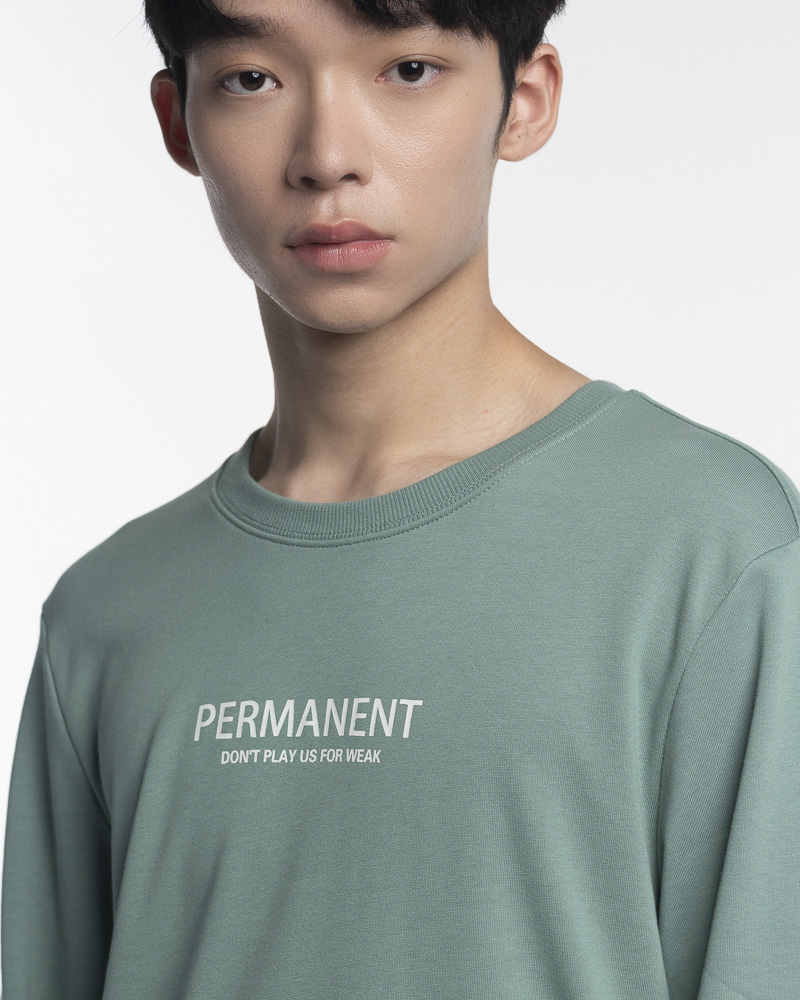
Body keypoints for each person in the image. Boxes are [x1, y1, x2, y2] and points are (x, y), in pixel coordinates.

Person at [2, 0, 798, 997]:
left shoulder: (714, 551)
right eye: (252, 79)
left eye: (408, 71)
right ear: (179, 124)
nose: (327, 157)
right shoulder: (104, 617)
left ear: (524, 100)